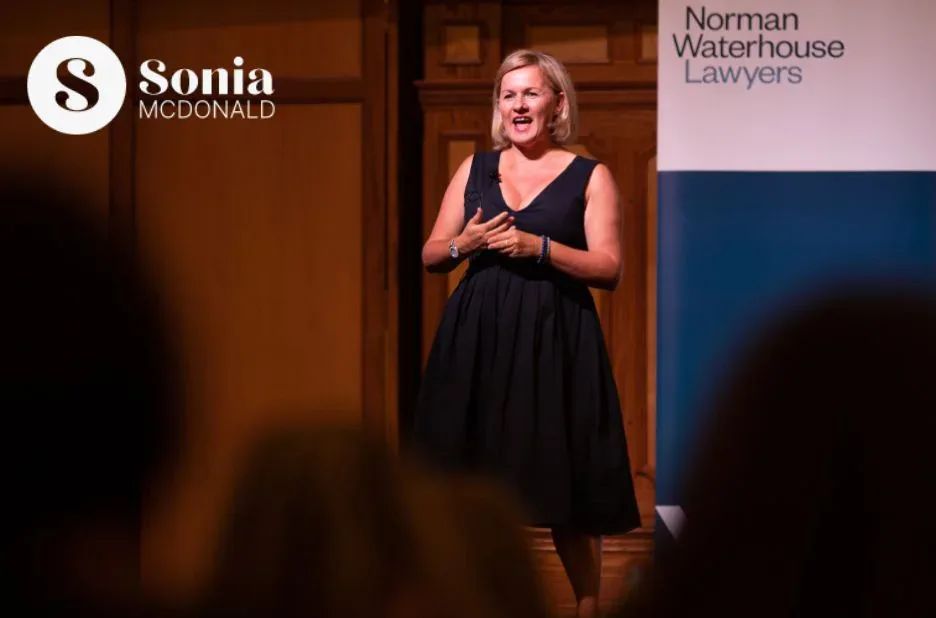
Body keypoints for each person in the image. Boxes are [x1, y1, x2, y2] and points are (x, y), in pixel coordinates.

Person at [411, 48, 642, 618]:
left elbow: (609, 267)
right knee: (465, 482)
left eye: (530, 93)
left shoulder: (590, 175)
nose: (518, 105)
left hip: (555, 336)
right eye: (508, 95)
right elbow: (432, 253)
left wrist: (538, 247)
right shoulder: (474, 169)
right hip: (478, 336)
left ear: (556, 104)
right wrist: (465, 243)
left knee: (567, 480)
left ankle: (588, 606)